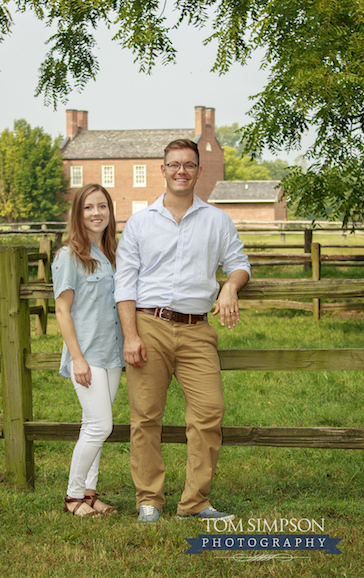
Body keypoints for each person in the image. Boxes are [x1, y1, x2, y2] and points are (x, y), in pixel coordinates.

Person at [114, 139, 251, 523]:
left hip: (196, 330)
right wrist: (131, 335)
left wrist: (229, 286)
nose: (181, 171)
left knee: (209, 412)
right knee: (145, 416)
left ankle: (195, 503)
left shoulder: (217, 220)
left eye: (188, 165)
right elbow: (124, 282)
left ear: (197, 170)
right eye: (174, 165)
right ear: (163, 169)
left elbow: (239, 262)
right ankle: (149, 501)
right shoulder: (141, 222)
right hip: (148, 326)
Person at [52, 183, 124, 517]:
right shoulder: (69, 255)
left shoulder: (112, 254)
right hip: (87, 357)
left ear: (110, 212)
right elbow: (62, 311)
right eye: (88, 208)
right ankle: (72, 499)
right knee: (100, 426)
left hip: (112, 354)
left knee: (92, 426)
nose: (96, 213)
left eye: (102, 207)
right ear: (78, 214)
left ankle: (89, 495)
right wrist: (77, 359)